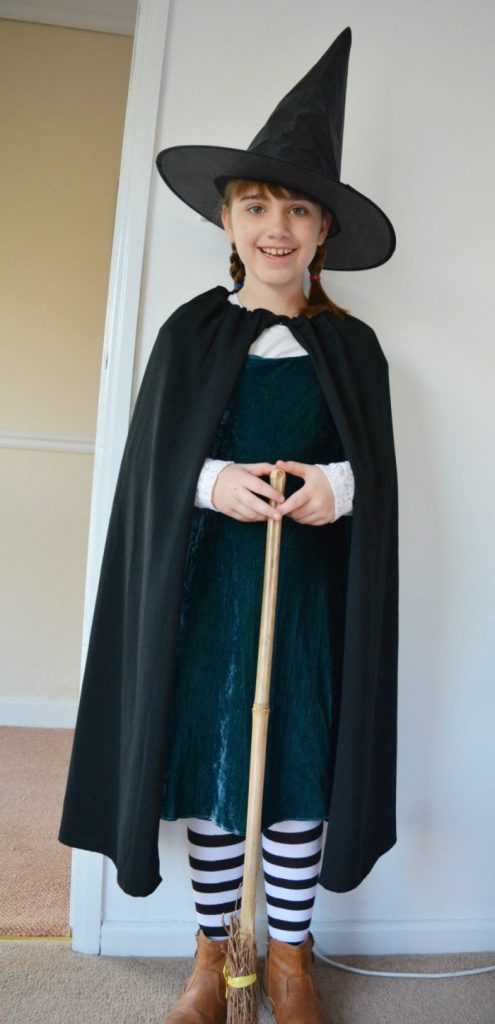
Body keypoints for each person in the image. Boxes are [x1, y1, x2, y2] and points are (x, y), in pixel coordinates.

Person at [58, 28, 399, 1024]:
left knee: (295, 757)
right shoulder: (190, 333)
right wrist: (211, 482)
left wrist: (338, 485)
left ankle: (288, 956)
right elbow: (155, 467)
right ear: (227, 216)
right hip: (209, 589)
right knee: (218, 758)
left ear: (324, 228)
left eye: (297, 209)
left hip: (308, 596)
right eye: (257, 206)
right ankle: (218, 952)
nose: (277, 228)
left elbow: (372, 473)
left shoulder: (354, 347)